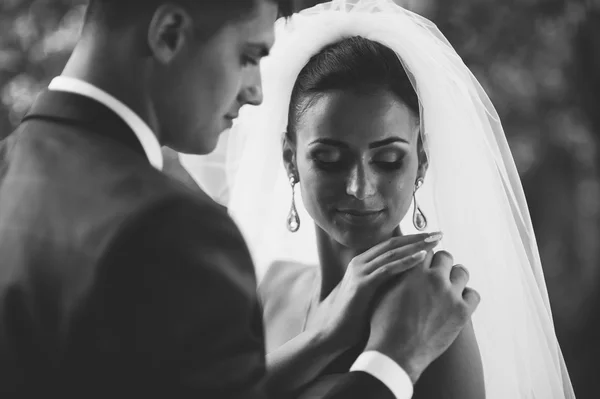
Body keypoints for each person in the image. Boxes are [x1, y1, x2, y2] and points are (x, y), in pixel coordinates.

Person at [0, 0, 478, 398]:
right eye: (248, 56)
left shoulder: (10, 163)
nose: (254, 93)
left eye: (389, 160)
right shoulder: (178, 231)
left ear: (421, 159)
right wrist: (392, 360)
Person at [184, 0, 575, 398]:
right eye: (329, 159)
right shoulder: (273, 285)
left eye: (388, 160)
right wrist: (326, 335)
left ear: (421, 161)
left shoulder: (433, 316)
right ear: (290, 158)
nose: (360, 187)